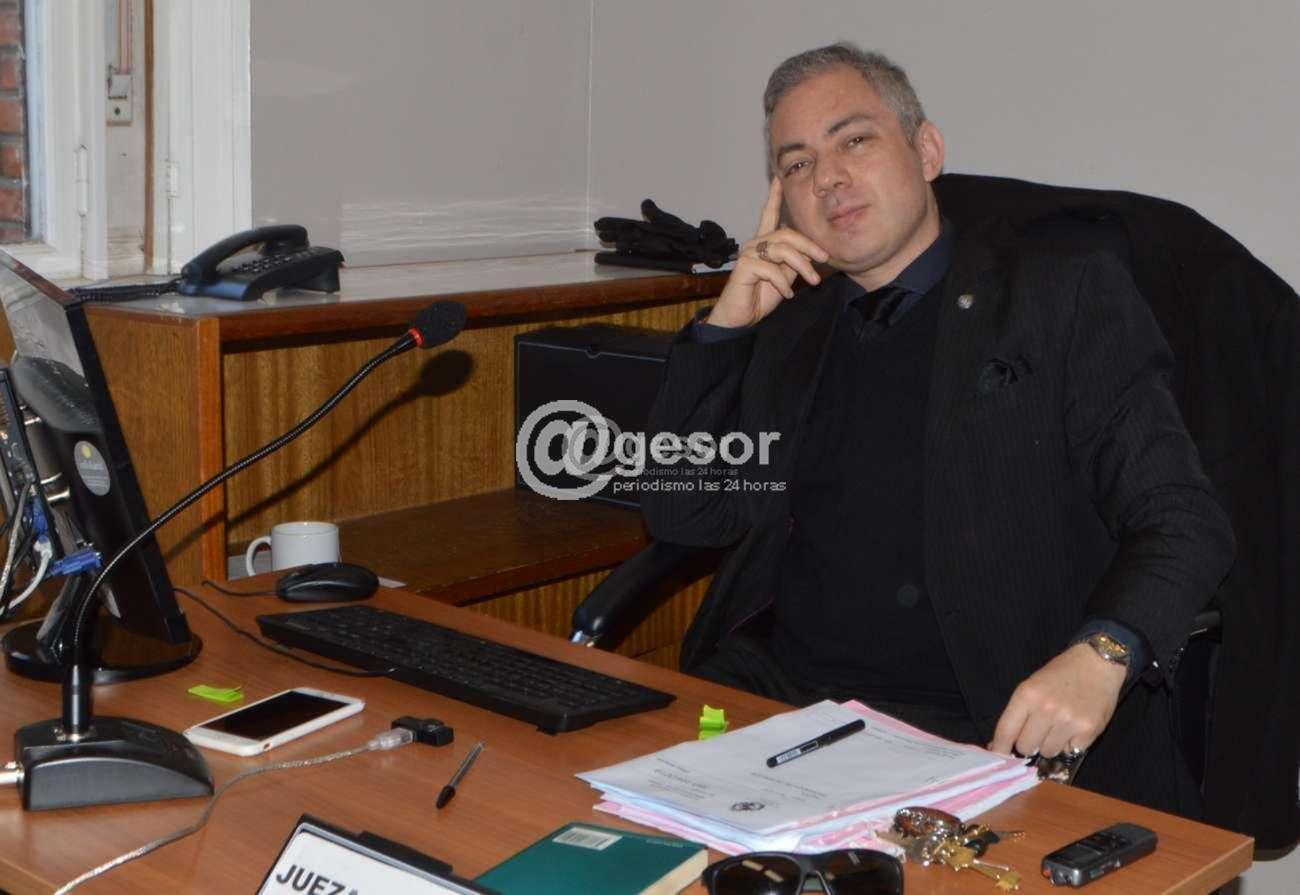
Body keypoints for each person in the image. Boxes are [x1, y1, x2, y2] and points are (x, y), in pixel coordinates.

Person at [640, 42, 1235, 815]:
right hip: (787, 707)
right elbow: (682, 512)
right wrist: (723, 331)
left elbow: (1183, 519)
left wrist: (1104, 651)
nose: (827, 178)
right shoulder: (792, 322)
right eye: (797, 163)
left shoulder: (1056, 299)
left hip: (981, 727)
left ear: (926, 151)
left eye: (854, 140)